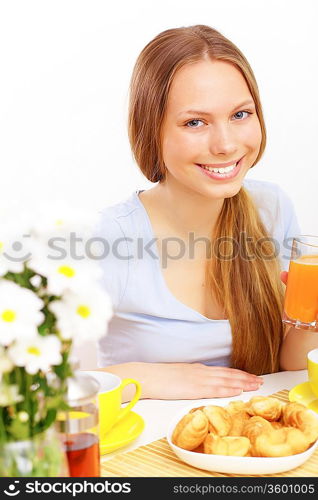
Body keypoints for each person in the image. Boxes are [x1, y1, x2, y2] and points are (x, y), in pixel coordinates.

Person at [94, 25, 318, 401]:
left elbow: (289, 371)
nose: (226, 144)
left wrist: (310, 320)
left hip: (249, 443)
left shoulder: (271, 208)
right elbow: (31, 389)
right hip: (143, 452)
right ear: (152, 130)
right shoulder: (109, 238)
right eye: (194, 122)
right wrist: (145, 379)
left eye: (241, 114)